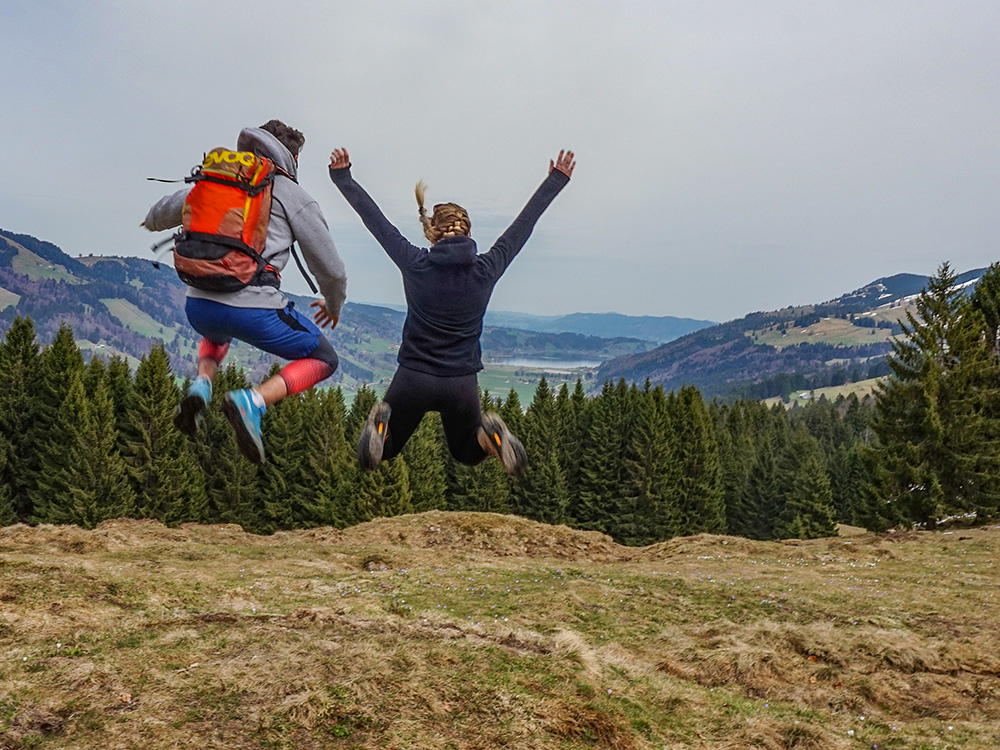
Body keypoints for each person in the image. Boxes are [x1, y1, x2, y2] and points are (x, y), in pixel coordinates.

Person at [328, 147, 575, 475]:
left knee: (386, 450)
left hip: (413, 377)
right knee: (467, 452)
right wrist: (555, 180)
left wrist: (342, 177)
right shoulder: (487, 268)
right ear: (469, 234)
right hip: (460, 383)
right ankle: (489, 438)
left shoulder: (416, 263)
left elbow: (377, 222)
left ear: (432, 233)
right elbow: (522, 227)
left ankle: (380, 429)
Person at [143, 120, 348, 464]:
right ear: (293, 157)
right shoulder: (292, 194)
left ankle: (201, 385)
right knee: (324, 360)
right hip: (255, 311)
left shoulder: (215, 179)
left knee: (219, 327)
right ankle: (251, 402)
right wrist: (334, 304)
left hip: (199, 308)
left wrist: (148, 223)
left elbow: (157, 215)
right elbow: (332, 270)